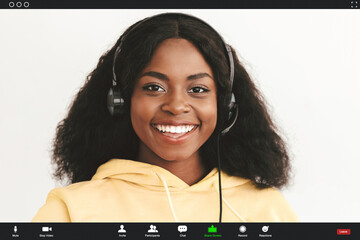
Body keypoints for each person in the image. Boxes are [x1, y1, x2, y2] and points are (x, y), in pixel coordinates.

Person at [32, 12, 298, 222]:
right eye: (154, 88)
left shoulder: (267, 209)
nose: (176, 106)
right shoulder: (70, 210)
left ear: (225, 105)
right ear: (121, 101)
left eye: (198, 89)